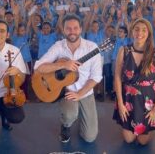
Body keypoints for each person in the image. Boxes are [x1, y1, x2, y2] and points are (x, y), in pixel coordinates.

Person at [34, 14, 103, 143]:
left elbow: (96, 76)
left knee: (90, 137)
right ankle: (66, 125)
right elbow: (38, 67)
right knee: (70, 114)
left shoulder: (92, 48)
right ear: (64, 29)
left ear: (81, 29)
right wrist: (63, 65)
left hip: (85, 92)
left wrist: (80, 94)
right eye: (68, 28)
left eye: (75, 28)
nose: (72, 31)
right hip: (66, 91)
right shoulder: (59, 46)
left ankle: (80, 117)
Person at [113, 18, 155, 145]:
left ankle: (152, 126)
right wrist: (120, 104)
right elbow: (117, 77)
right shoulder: (124, 50)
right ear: (132, 31)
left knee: (143, 142)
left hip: (148, 102)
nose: (140, 33)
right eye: (136, 29)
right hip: (128, 100)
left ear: (149, 33)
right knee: (128, 139)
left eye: (144, 30)